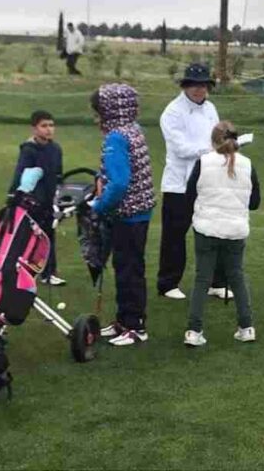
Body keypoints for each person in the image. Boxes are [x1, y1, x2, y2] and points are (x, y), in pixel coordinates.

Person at [183, 121, 261, 347]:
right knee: (236, 276)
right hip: (235, 230)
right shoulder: (248, 165)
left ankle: (194, 331)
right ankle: (246, 327)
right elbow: (254, 203)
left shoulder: (203, 162)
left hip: (206, 228)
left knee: (202, 278)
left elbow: (189, 195)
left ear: (213, 141)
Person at [157, 63, 231, 301]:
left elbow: (217, 137)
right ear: (185, 86)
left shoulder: (210, 108)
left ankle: (215, 282)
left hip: (208, 180)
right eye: (194, 85)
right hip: (179, 184)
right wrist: (212, 149)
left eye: (203, 85)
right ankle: (168, 283)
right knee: (174, 236)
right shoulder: (172, 112)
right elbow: (181, 149)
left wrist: (225, 146)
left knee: (214, 231)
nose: (199, 90)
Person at [90, 83, 156, 347]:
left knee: (129, 270)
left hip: (129, 215)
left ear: (110, 110)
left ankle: (135, 326)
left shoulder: (116, 137)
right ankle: (123, 320)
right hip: (139, 212)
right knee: (126, 267)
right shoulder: (133, 128)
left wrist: (99, 206)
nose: (97, 117)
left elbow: (119, 183)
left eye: (99, 111)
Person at [8, 110, 64, 286]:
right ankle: (17, 271)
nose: (48, 129)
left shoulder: (56, 149)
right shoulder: (28, 150)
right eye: (44, 126)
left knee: (48, 236)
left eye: (51, 125)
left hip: (49, 200)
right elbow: (21, 174)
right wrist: (14, 196)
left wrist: (58, 197)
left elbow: (58, 175)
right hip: (32, 202)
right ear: (34, 128)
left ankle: (48, 273)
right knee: (27, 237)